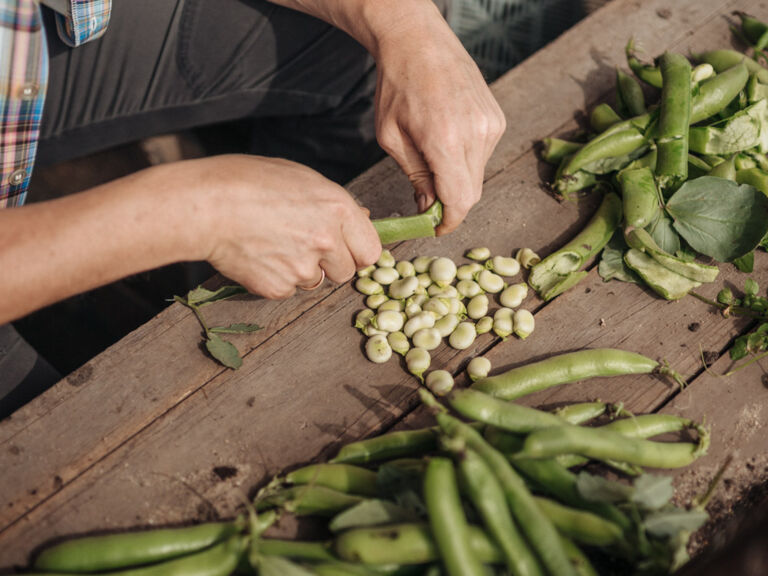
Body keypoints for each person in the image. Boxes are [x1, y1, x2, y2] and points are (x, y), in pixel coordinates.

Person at [0, 0, 505, 409]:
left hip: (22, 49)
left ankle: (217, 283)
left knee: (354, 56)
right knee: (82, 453)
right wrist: (201, 213)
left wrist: (405, 25)